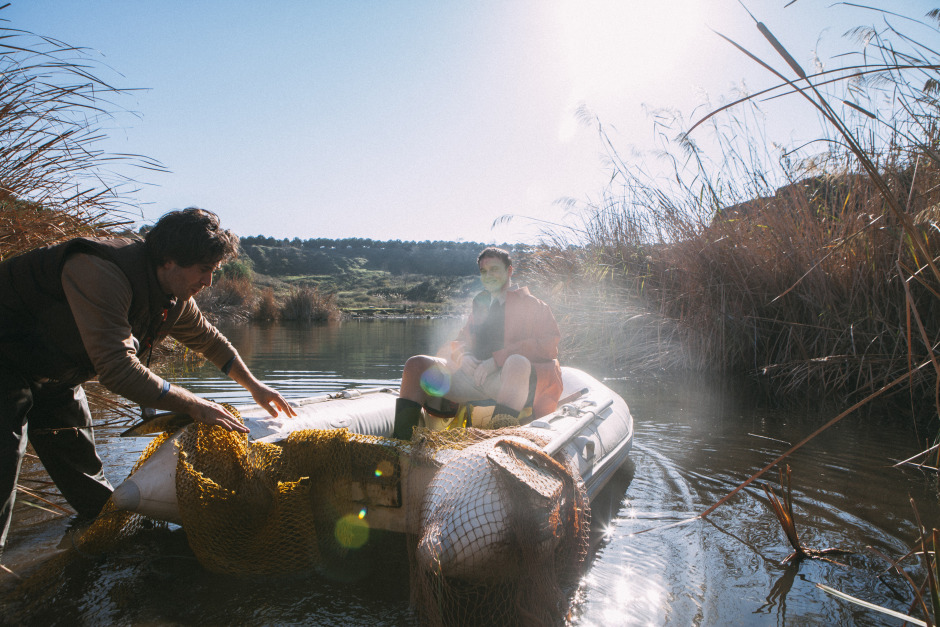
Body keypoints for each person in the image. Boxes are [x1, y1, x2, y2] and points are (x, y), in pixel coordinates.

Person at [0, 207, 297, 557]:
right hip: (6, 360)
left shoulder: (172, 296)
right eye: (204, 270)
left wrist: (255, 386)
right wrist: (197, 405)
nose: (208, 283)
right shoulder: (98, 271)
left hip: (54, 372)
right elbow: (117, 369)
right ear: (170, 261)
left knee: (88, 481)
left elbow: (209, 340)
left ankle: (106, 544)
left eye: (213, 272)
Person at [393, 246, 562, 438]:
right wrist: (463, 356)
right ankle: (400, 445)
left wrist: (497, 361)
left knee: (517, 362)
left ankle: (496, 443)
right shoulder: (480, 306)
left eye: (494, 270)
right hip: (472, 378)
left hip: (509, 382)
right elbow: (460, 341)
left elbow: (549, 345)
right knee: (416, 364)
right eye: (484, 271)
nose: (488, 275)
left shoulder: (534, 305)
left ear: (509, 271)